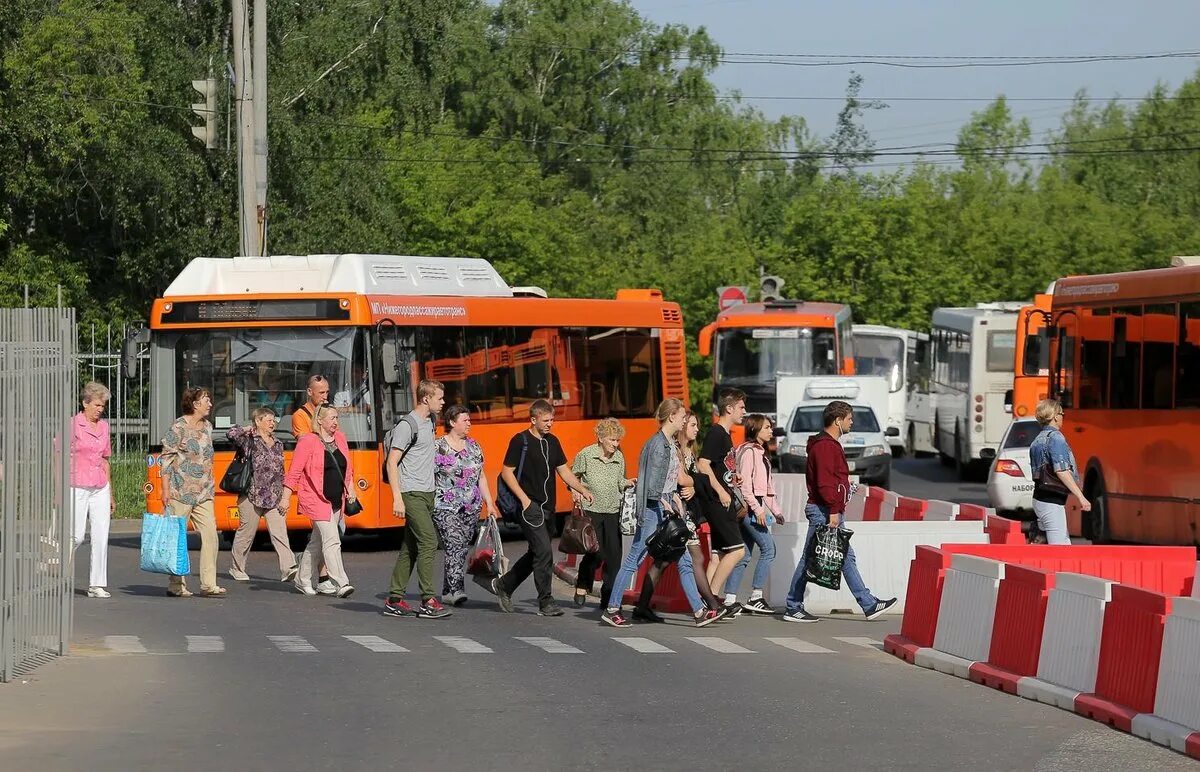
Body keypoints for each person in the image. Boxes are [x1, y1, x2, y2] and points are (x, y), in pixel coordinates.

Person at [601, 399, 723, 629]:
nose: (684, 420)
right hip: (653, 509)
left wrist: (674, 498)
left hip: (666, 506)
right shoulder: (658, 445)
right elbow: (652, 484)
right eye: (681, 416)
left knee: (684, 560)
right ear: (671, 417)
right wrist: (665, 502)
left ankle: (699, 611)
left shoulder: (668, 443)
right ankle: (612, 608)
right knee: (634, 559)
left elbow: (666, 480)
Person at [782, 401, 896, 623]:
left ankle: (868, 603)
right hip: (825, 511)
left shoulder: (827, 445)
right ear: (838, 420)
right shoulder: (825, 447)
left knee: (844, 556)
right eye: (849, 418)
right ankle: (793, 605)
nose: (852, 422)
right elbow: (826, 484)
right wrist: (834, 511)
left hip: (828, 509)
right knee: (811, 558)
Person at [493, 399, 594, 617]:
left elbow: (564, 471)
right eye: (546, 420)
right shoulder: (520, 441)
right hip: (528, 506)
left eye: (552, 420)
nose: (550, 424)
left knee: (537, 553)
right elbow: (506, 472)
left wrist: (581, 488)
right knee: (544, 552)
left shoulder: (553, 442)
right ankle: (546, 601)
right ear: (533, 419)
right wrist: (525, 500)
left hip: (548, 508)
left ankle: (505, 585)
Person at [382, 379, 452, 619]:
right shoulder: (407, 425)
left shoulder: (431, 421)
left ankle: (394, 598)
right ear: (426, 399)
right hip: (410, 493)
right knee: (429, 541)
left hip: (427, 492)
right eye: (439, 398)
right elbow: (392, 462)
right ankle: (428, 600)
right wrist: (397, 499)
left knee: (410, 547)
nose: (443, 403)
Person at [280, 405, 356, 598]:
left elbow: (348, 468)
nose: (335, 422)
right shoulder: (308, 441)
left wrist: (351, 490)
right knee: (332, 540)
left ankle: (302, 578)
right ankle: (341, 582)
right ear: (319, 420)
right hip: (316, 499)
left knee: (317, 542)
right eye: (331, 418)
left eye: (337, 418)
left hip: (336, 499)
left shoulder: (340, 438)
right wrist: (285, 498)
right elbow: (294, 472)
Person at [160, 387, 224, 598]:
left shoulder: (208, 427)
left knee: (210, 535)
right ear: (195, 403)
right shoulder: (178, 427)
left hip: (204, 491)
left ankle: (208, 584)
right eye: (206, 400)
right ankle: (176, 584)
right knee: (178, 539)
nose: (210, 404)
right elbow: (166, 459)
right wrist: (165, 489)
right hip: (181, 491)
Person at [431, 405, 498, 606]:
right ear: (452, 422)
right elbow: (428, 476)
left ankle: (447, 590)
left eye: (469, 420)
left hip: (471, 508)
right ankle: (456, 589)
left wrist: (490, 503)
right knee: (455, 543)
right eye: (465, 420)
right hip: (444, 506)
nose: (469, 423)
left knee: (459, 548)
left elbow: (481, 477)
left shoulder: (474, 446)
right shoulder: (437, 447)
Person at [570, 418, 635, 609]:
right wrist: (576, 491)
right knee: (595, 553)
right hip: (592, 510)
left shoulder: (619, 457)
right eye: (612, 440)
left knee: (614, 557)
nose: (616, 444)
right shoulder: (586, 454)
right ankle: (583, 582)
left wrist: (628, 482)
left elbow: (619, 481)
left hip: (613, 510)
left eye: (617, 441)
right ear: (600, 438)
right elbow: (573, 477)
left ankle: (608, 597)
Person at [227, 408, 297, 582]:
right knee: (246, 533)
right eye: (268, 420)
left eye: (274, 420)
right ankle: (237, 568)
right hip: (251, 494)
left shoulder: (278, 444)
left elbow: (281, 472)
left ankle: (288, 568)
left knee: (280, 532)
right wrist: (246, 429)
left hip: (274, 495)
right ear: (258, 421)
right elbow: (231, 434)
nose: (272, 423)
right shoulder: (248, 440)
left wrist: (284, 497)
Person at [697, 388, 748, 616]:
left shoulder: (725, 435)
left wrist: (732, 477)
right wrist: (721, 490)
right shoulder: (716, 433)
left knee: (717, 555)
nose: (744, 412)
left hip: (722, 498)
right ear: (729, 408)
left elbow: (718, 467)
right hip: (718, 501)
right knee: (738, 551)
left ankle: (702, 603)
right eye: (741, 407)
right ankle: (714, 601)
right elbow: (703, 464)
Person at [725, 414, 782, 614]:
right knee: (769, 549)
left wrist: (776, 511)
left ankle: (730, 599)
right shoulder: (749, 452)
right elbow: (747, 488)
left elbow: (767, 487)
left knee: (745, 555)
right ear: (755, 429)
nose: (770, 431)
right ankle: (756, 596)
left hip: (751, 507)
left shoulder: (758, 452)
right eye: (767, 427)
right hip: (750, 507)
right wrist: (758, 510)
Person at [674, 411, 727, 615]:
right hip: (677, 512)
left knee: (661, 564)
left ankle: (643, 606)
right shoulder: (676, 450)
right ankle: (710, 604)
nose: (697, 429)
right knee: (696, 559)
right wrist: (698, 483)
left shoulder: (691, 451)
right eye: (693, 425)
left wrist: (695, 486)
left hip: (689, 513)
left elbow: (694, 481)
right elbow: (681, 480)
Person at [70, 381, 115, 598]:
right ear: (85, 403)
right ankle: (57, 565)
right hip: (76, 483)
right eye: (97, 405)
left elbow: (106, 459)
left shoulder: (105, 427)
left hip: (99, 484)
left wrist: (111, 493)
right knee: (76, 536)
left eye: (103, 405)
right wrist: (58, 491)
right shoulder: (72, 424)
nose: (100, 409)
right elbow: (58, 456)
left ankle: (97, 583)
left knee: (101, 534)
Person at [1029, 398, 1090, 545]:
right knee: (1060, 547)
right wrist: (1081, 497)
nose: (1063, 417)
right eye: (1062, 414)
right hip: (1051, 501)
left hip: (1040, 499)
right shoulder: (1056, 438)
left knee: (1050, 543)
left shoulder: (1037, 440)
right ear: (1056, 416)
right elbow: (1061, 470)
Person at [290, 374, 330, 439]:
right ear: (309, 392)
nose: (325, 397)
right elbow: (305, 443)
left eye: (327, 392)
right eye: (321, 393)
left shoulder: (330, 412)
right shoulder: (300, 415)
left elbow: (336, 437)